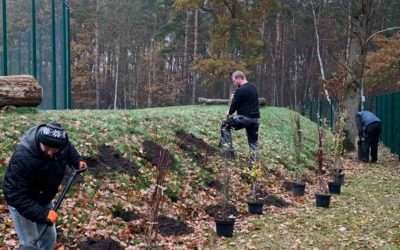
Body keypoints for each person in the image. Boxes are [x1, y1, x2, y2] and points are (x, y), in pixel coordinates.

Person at [2, 122, 87, 250]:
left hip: (43, 198)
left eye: (54, 150)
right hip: (22, 203)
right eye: (46, 148)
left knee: (49, 239)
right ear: (39, 141)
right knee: (30, 243)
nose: (49, 153)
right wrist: (42, 214)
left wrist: (77, 161)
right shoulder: (23, 157)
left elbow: (69, 150)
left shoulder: (62, 145)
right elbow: (14, 194)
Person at [220, 71, 260, 163]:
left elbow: (233, 107)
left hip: (244, 119)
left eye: (234, 81)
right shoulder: (253, 87)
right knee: (253, 141)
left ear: (239, 78)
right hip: (255, 119)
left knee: (225, 126)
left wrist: (229, 112)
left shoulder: (240, 90)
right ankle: (253, 162)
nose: (234, 83)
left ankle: (228, 153)